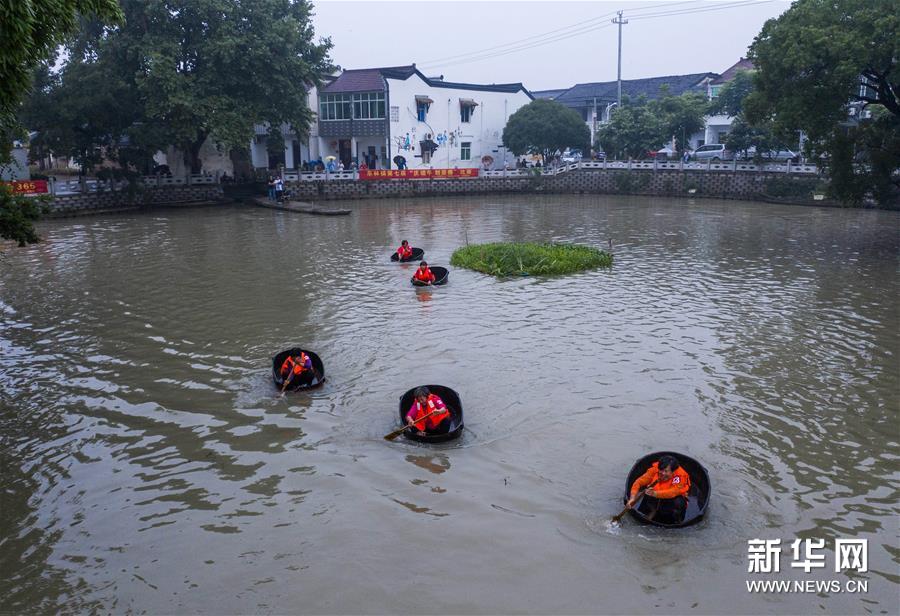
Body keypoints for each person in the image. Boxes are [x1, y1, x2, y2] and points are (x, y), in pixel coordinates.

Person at [626, 454, 691, 523]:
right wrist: (632, 497)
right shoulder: (655, 469)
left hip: (672, 501)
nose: (662, 473)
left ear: (673, 472)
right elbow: (639, 482)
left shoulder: (680, 477)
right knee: (648, 490)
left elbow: (673, 492)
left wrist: (655, 494)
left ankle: (676, 520)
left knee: (678, 502)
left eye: (666, 471)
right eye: (661, 470)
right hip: (655, 496)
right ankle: (651, 512)